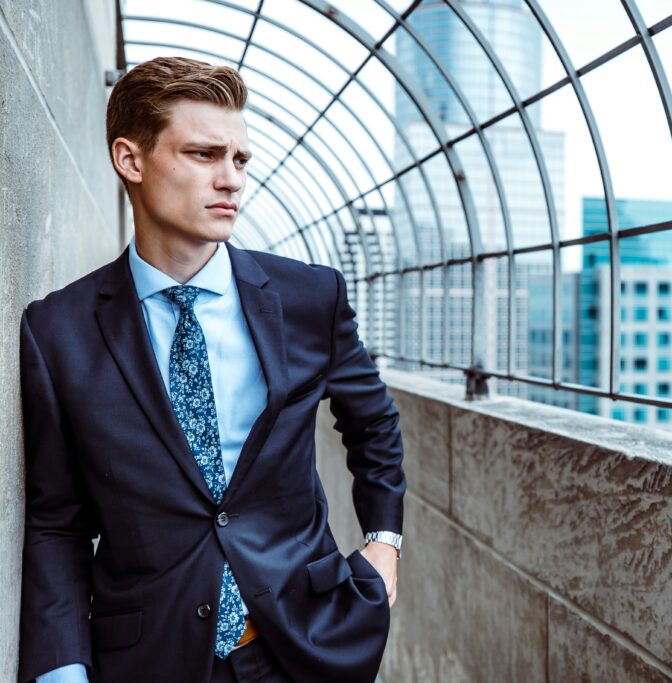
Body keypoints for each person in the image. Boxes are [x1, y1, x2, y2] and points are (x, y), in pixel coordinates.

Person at [18, 56, 406, 683]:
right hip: (150, 658)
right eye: (204, 154)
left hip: (308, 645)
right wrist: (62, 671)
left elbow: (374, 428)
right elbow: (56, 524)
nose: (231, 180)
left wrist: (384, 543)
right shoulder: (57, 331)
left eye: (241, 159)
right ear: (131, 160)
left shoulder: (310, 299)